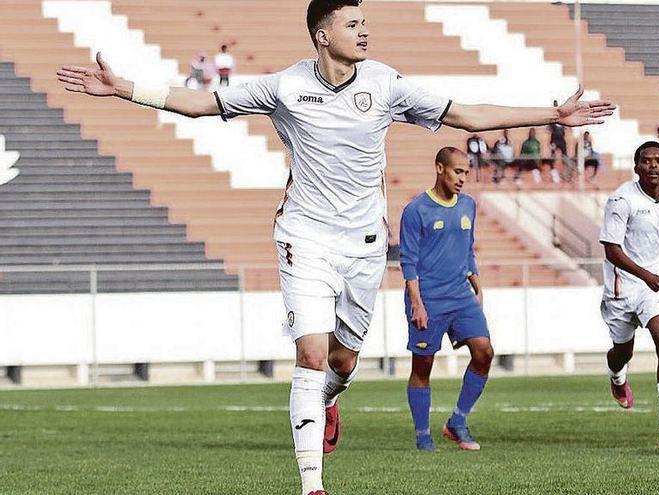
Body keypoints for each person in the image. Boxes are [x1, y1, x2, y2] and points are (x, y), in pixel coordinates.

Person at [55, 1, 615, 492]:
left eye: (365, 22)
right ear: (323, 34)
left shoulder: (387, 83)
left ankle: (328, 399)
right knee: (312, 355)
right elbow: (200, 103)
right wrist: (125, 88)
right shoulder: (284, 87)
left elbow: (466, 114)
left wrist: (553, 114)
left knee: (343, 363)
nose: (364, 30)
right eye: (353, 23)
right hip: (304, 237)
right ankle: (312, 484)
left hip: (365, 244)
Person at [599, 141, 659, 447]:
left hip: (657, 282)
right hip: (623, 285)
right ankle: (617, 377)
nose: (653, 165)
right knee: (622, 352)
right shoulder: (621, 199)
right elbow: (611, 250)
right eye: (646, 161)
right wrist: (645, 276)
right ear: (636, 167)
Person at [399, 147, 492, 452]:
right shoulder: (416, 210)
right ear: (440, 168)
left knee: (484, 352)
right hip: (428, 299)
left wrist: (477, 285)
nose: (463, 178)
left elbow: (468, 249)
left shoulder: (468, 205)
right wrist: (417, 303)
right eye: (457, 171)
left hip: (460, 295)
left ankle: (458, 421)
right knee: (423, 366)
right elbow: (408, 261)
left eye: (466, 172)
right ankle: (422, 434)